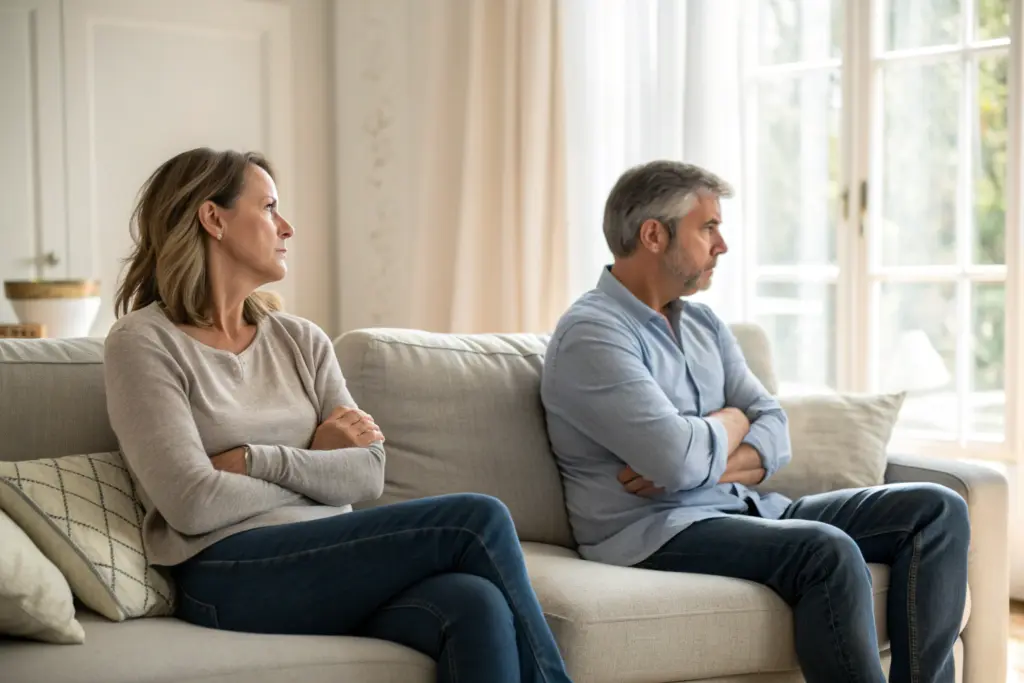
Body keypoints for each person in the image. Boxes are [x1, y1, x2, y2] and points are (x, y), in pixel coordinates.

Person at [103, 147, 573, 683]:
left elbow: (367, 473)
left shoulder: (300, 339)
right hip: (227, 572)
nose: (287, 227)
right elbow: (191, 503)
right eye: (269, 207)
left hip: (331, 557)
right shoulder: (143, 342)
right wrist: (317, 464)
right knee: (477, 518)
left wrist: (259, 460)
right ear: (213, 218)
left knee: (475, 603)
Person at [539, 160, 970, 683]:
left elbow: (773, 428)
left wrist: (701, 463)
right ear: (654, 235)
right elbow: (677, 458)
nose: (722, 245)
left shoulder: (703, 324)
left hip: (750, 508)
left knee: (938, 509)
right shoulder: (593, 335)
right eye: (708, 227)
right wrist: (730, 420)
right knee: (825, 550)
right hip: (655, 534)